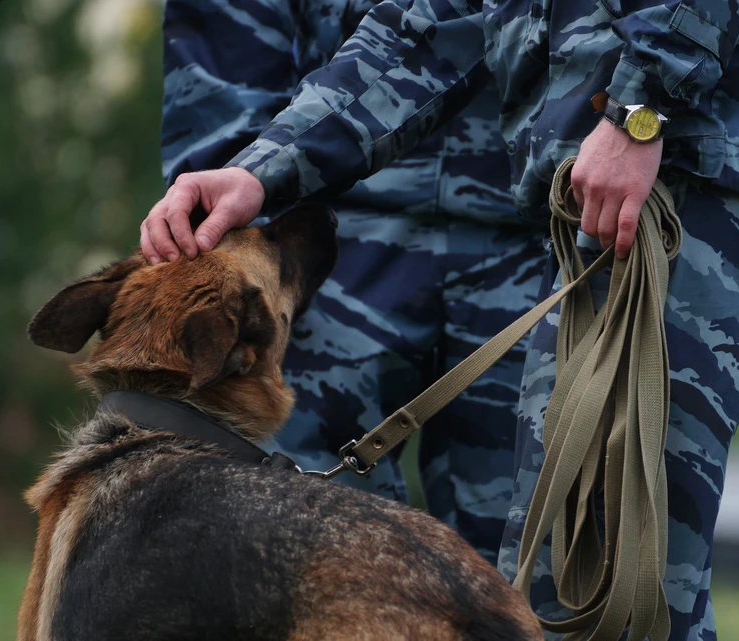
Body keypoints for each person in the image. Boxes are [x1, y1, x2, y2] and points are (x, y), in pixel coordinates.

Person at [143, 1, 739, 638]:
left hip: (674, 177)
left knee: (611, 594)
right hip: (598, 197)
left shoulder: (649, 122)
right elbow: (427, 27)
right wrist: (260, 173)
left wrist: (641, 108)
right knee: (561, 591)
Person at [157, 0, 548, 566]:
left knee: (550, 561)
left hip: (554, 220)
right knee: (307, 553)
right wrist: (237, 233)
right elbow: (227, 33)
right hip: (320, 233)